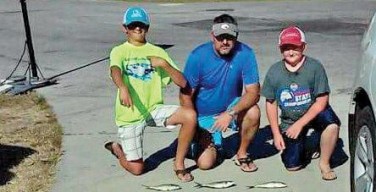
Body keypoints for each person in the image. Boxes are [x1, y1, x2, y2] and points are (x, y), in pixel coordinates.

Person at [105, 6, 196, 182]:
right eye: (133, 25)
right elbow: (115, 69)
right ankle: (118, 150)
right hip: (130, 114)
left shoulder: (158, 52)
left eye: (142, 25)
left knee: (189, 116)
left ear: (148, 27)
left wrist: (164, 64)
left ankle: (179, 165)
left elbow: (183, 83)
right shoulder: (119, 51)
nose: (138, 29)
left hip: (153, 109)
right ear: (125, 28)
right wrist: (122, 87)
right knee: (138, 169)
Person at [180, 14, 260, 172]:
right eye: (220, 37)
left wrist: (230, 113)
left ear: (236, 36)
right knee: (205, 164)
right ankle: (201, 142)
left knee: (254, 111)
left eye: (229, 37)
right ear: (212, 36)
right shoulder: (197, 56)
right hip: (202, 117)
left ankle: (242, 153)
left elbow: (253, 93)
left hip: (229, 110)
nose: (225, 42)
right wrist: (192, 122)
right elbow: (185, 95)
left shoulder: (246, 53)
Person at [262, 26, 340, 181]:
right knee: (293, 166)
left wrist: (301, 124)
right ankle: (306, 147)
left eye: (295, 47)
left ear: (304, 47)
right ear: (280, 49)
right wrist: (276, 134)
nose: (291, 52)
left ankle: (324, 163)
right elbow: (271, 103)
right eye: (286, 48)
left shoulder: (315, 67)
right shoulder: (274, 71)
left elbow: (322, 101)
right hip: (290, 119)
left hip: (315, 112)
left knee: (332, 125)